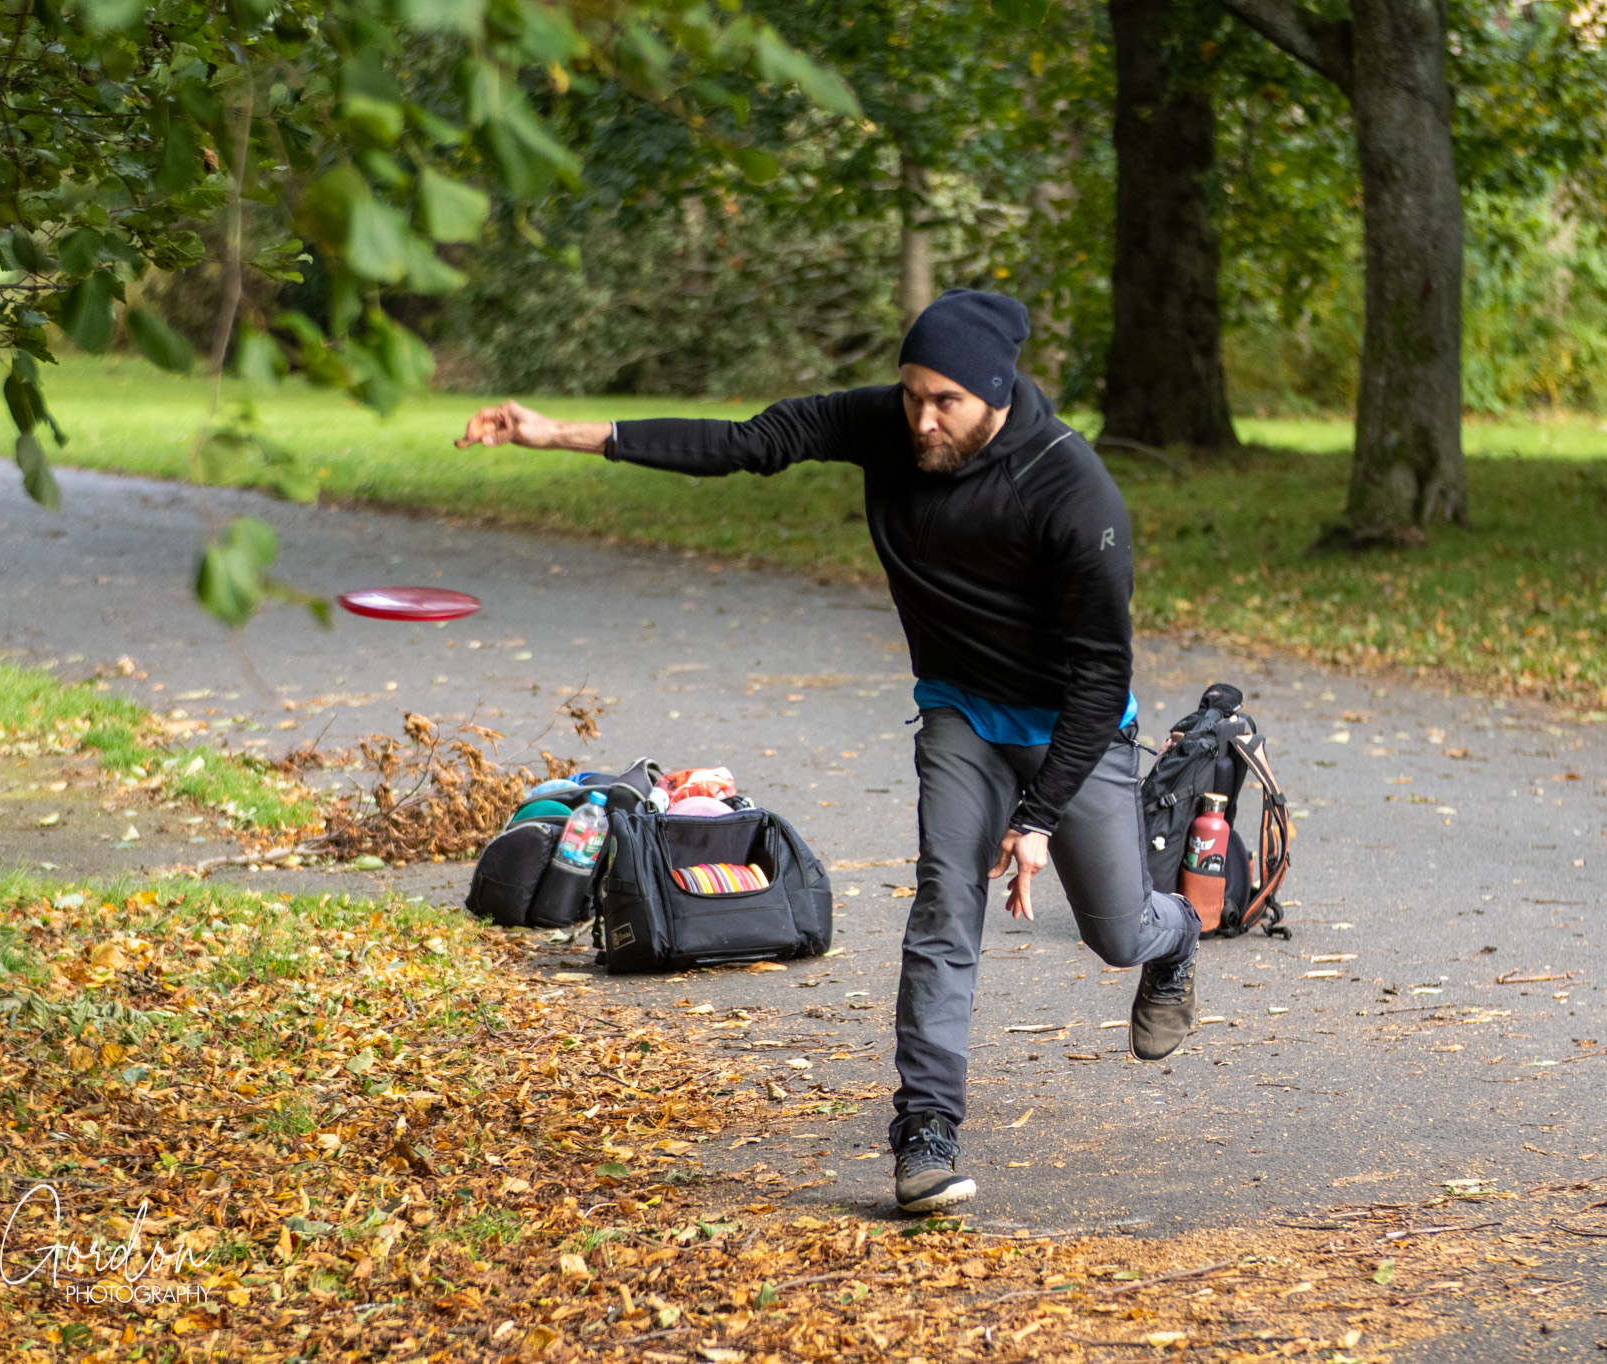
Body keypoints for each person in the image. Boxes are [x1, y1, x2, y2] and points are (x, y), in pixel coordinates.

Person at [458, 289, 1203, 1214]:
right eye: (911, 393)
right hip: (961, 716)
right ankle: (925, 1131)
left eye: (947, 403)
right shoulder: (891, 426)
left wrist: (1039, 817)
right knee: (942, 908)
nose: (921, 419)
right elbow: (746, 442)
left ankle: (1179, 942)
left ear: (999, 394)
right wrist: (554, 434)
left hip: (1074, 731)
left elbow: (1100, 675)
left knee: (1117, 931)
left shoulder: (1073, 490)